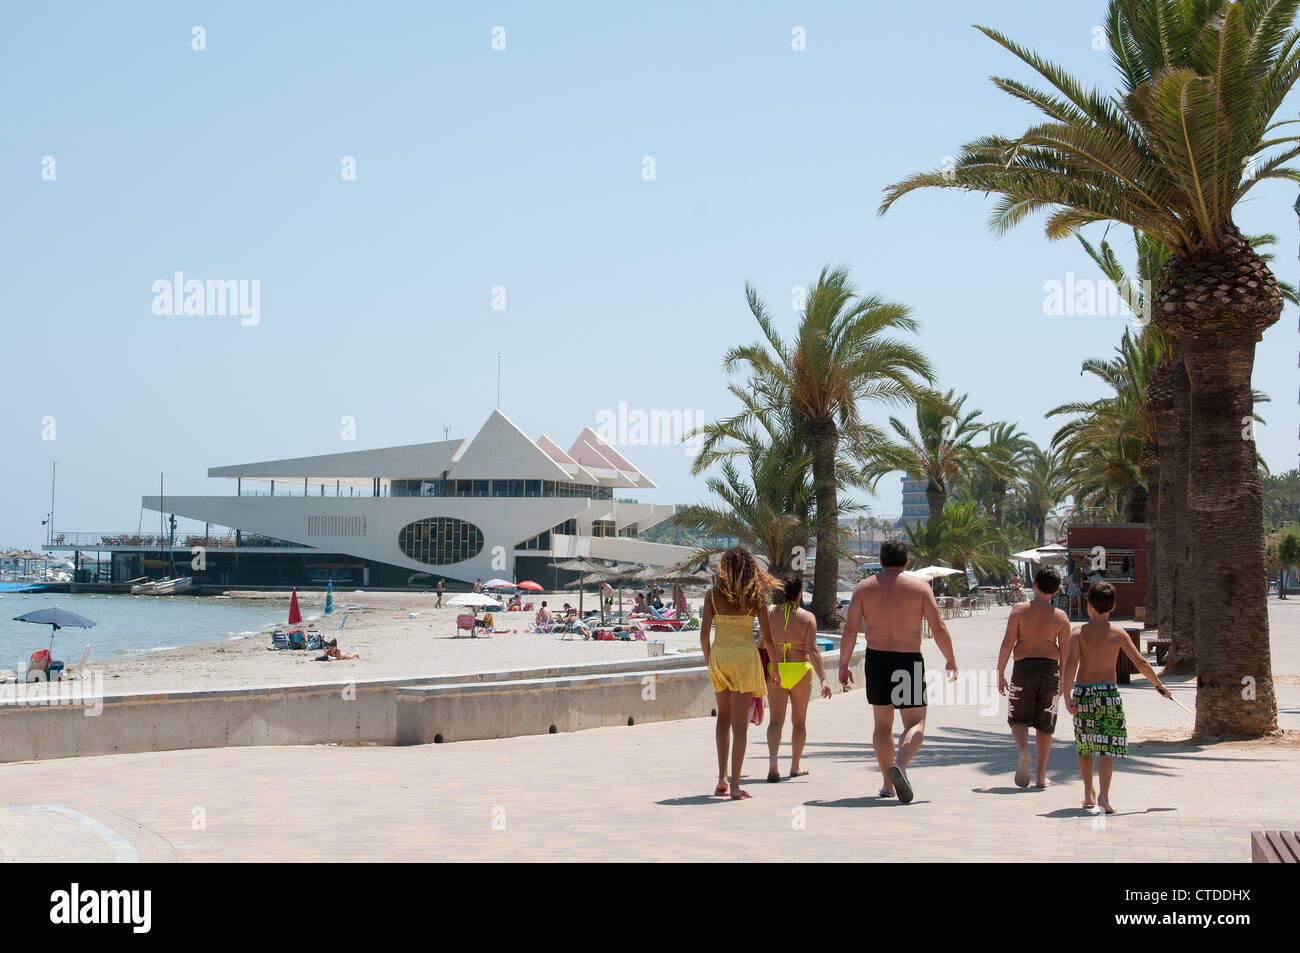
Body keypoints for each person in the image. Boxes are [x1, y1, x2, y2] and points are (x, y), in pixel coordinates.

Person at [840, 540, 958, 804]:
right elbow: (937, 626)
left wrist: (843, 664)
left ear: (880, 561)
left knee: (882, 725)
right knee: (915, 723)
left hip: (877, 659)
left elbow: (850, 629)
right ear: (906, 562)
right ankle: (901, 766)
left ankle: (887, 783)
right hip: (907, 660)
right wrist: (950, 659)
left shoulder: (863, 588)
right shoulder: (919, 588)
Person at [1062, 581, 1171, 814]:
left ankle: (1087, 793)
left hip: (1084, 693)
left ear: (1088, 605)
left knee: (1085, 746)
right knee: (1107, 748)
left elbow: (1071, 663)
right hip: (1108, 695)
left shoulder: (1078, 632)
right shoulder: (1118, 633)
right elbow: (1140, 662)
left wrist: (1066, 694)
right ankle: (1103, 797)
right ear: (1113, 607)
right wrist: (1158, 685)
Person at [701, 546, 780, 800]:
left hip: (720, 656)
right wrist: (775, 668)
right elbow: (767, 638)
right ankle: (736, 785)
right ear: (749, 569)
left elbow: (703, 636)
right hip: (745, 658)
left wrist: (709, 660)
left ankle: (722, 779)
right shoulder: (756, 596)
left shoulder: (712, 595)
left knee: (722, 717)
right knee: (739, 724)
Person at [997, 566, 1071, 789]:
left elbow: (1007, 643)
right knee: (1045, 723)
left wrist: (1000, 672)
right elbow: (1066, 654)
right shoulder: (1061, 617)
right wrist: (1064, 683)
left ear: (1034, 585)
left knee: (1018, 718)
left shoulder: (1019, 610)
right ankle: (1040, 776)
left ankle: (1023, 751)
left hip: (1023, 668)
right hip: (1049, 670)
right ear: (1057, 590)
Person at [764, 575, 832, 781]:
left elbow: (763, 641)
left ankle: (773, 764)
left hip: (775, 669)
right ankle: (795, 766)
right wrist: (824, 679)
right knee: (799, 721)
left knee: (775, 721)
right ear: (800, 592)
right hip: (800, 670)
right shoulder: (808, 617)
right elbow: (813, 651)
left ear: (782, 592)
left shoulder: (770, 612)